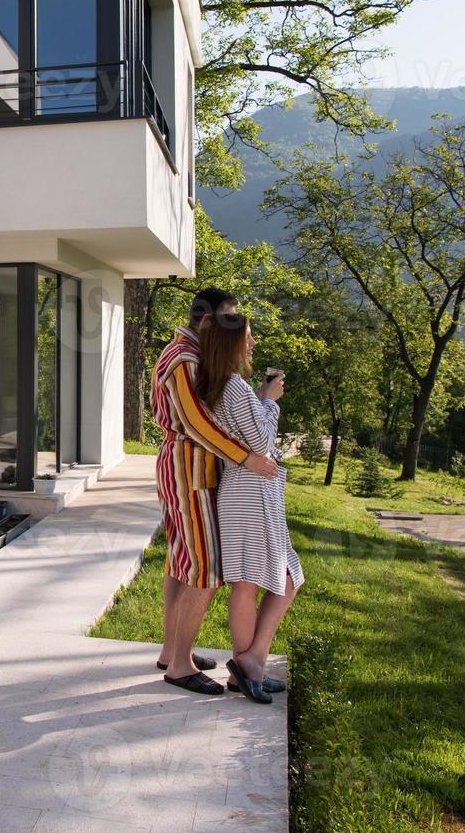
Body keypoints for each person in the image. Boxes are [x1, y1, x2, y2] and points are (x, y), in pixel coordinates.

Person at [150, 288, 279, 695]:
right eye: (228, 321)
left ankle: (172, 651)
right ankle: (180, 666)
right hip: (189, 468)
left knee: (181, 562)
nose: (233, 330)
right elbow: (195, 424)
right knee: (204, 569)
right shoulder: (184, 360)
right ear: (207, 322)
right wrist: (247, 459)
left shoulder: (183, 352)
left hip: (186, 466)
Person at [195, 311, 302, 706]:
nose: (253, 344)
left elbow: (245, 429)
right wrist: (271, 403)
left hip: (251, 490)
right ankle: (249, 666)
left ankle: (250, 661)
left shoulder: (224, 385)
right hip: (249, 492)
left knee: (283, 575)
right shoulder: (233, 386)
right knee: (249, 582)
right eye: (249, 337)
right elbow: (258, 441)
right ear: (233, 344)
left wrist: (259, 398)